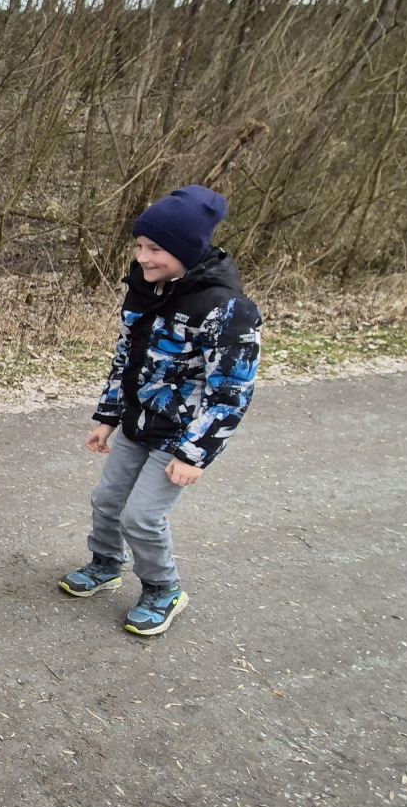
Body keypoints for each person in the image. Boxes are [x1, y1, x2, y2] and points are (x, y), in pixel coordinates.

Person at [59, 186, 262, 636]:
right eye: (139, 246)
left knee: (142, 517)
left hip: (180, 435)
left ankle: (163, 588)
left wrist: (194, 455)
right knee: (107, 502)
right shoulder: (144, 289)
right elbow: (125, 358)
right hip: (137, 423)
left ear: (186, 248)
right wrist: (108, 416)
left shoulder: (227, 308)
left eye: (155, 249)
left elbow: (232, 392)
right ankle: (106, 563)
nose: (143, 257)